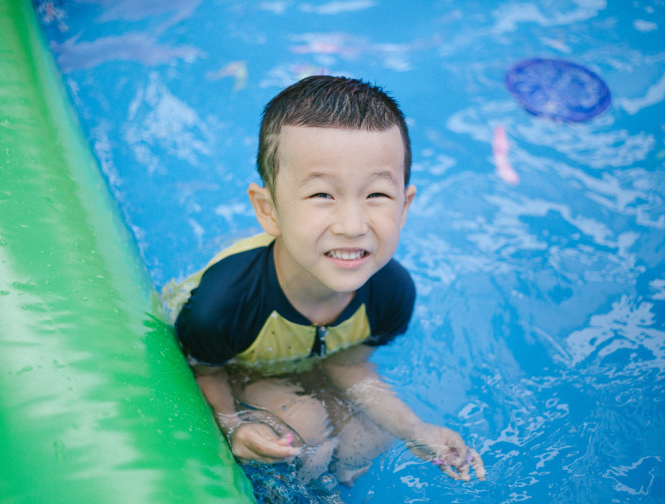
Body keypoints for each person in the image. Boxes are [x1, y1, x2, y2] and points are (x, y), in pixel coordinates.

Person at [172, 75, 486, 489]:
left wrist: (416, 429)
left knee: (370, 440)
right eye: (322, 195)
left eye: (376, 195)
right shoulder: (224, 303)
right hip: (233, 363)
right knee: (305, 432)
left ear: (405, 206)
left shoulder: (391, 293)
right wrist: (233, 426)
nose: (352, 226)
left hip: (300, 354)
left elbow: (346, 362)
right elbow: (205, 370)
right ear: (268, 210)